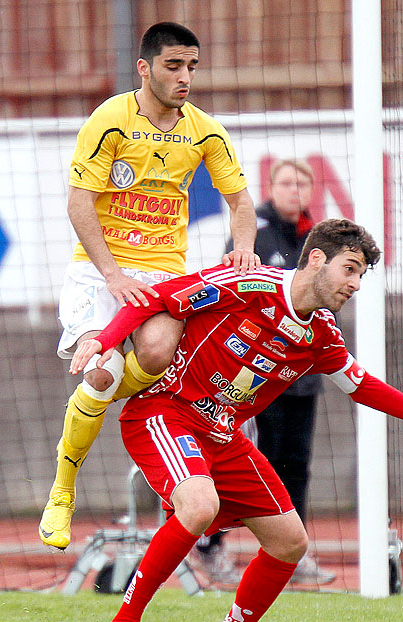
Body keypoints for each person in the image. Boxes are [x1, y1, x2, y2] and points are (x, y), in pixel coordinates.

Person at [70, 218, 403, 622]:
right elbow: (157, 299)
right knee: (198, 506)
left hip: (221, 434)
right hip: (165, 411)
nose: (354, 284)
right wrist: (103, 338)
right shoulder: (249, 284)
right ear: (316, 258)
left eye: (361, 276)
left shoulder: (321, 335)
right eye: (349, 269)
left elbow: (362, 387)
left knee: (290, 541)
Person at [38, 21, 259, 550]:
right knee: (101, 370)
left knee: (157, 354)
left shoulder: (205, 130)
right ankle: (63, 489)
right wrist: (113, 274)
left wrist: (245, 247)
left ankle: (108, 396)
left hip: (164, 273)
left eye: (192, 68)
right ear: (145, 67)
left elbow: (242, 203)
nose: (185, 78)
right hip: (100, 270)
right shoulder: (110, 119)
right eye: (173, 66)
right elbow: (78, 203)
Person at [203, 158, 332, 586]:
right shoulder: (253, 232)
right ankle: (211, 547)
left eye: (302, 183)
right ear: (271, 187)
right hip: (256, 377)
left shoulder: (317, 241)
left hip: (301, 376)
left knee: (296, 466)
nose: (295, 190)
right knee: (248, 464)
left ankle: (291, 555)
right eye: (286, 182)